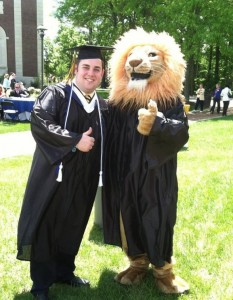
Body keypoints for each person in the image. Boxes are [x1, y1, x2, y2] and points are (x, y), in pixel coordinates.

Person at [17, 45, 109, 300]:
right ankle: (41, 285)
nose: (91, 73)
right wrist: (74, 140)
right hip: (54, 177)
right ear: (76, 69)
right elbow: (40, 121)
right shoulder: (57, 94)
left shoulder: (101, 105)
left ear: (102, 73)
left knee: (74, 224)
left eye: (97, 69)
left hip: (84, 179)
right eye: (86, 68)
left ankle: (64, 272)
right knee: (48, 226)